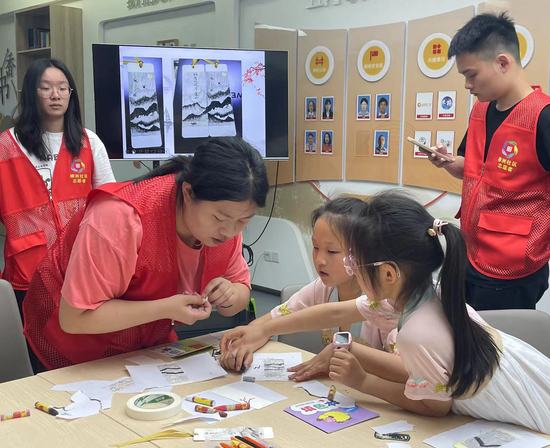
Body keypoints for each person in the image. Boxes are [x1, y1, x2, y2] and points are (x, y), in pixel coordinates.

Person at [222, 191, 550, 448]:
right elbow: (335, 311)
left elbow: (435, 407)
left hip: (533, 417)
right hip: (529, 390)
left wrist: (362, 380)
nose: (349, 269)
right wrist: (262, 327)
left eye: (354, 261)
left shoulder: (416, 332)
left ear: (387, 273)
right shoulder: (413, 294)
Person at [23, 137, 269, 371]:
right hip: (73, 350)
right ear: (187, 193)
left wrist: (229, 295)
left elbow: (240, 290)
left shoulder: (227, 223)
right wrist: (165, 309)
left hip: (144, 350)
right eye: (219, 218)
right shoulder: (119, 217)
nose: (229, 231)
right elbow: (75, 318)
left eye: (243, 221)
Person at [427, 13, 550, 310]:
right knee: (464, 333)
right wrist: (447, 161)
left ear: (503, 63)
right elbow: (474, 171)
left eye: (471, 74)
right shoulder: (481, 111)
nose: (467, 85)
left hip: (512, 267)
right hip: (470, 253)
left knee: (503, 339)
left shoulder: (548, 119)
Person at [220, 197, 400, 373]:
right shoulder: (322, 289)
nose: (320, 260)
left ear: (363, 253)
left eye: (332, 251)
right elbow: (275, 319)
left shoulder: (384, 304)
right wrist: (247, 341)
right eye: (315, 247)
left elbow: (403, 373)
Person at [0, 58, 115, 316]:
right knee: (32, 337)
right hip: (28, 271)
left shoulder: (88, 141)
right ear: (31, 93)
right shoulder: (6, 146)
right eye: (46, 88)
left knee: (79, 335)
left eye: (63, 88)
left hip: (81, 265)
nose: (56, 95)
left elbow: (109, 204)